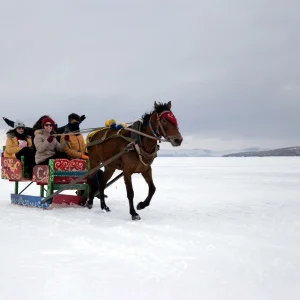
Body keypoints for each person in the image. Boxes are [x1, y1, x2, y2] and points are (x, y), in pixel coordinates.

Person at [2, 114, 86, 138]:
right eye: (46, 125)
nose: (48, 127)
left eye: (50, 125)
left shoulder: (55, 131)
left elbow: (68, 126)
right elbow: (22, 127)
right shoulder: (36, 132)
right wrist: (9, 122)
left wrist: (78, 122)